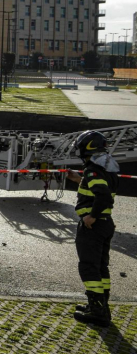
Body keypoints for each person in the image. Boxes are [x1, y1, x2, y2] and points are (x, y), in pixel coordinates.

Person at [67, 131, 120, 327]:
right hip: (106, 223)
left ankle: (97, 311)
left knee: (89, 267)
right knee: (100, 267)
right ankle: (101, 307)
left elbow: (103, 196)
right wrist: (77, 179)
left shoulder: (92, 170)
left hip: (94, 226)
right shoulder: (107, 168)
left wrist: (91, 217)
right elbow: (98, 186)